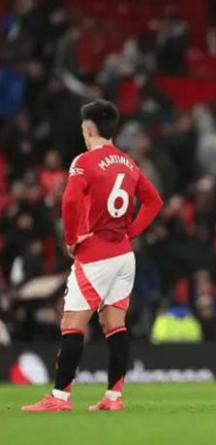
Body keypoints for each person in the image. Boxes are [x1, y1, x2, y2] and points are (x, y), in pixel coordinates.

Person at [22, 99, 163, 412]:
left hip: (95, 255)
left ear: (88, 129)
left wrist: (71, 239)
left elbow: (70, 201)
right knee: (115, 325)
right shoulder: (128, 162)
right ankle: (113, 397)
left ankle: (59, 397)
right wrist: (131, 232)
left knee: (72, 323)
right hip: (124, 255)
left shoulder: (83, 162)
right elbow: (154, 202)